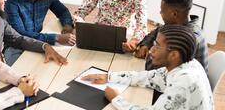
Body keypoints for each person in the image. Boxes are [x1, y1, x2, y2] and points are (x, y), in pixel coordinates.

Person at [82, 25, 213, 110]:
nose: (151, 50)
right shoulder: (187, 63)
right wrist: (109, 76)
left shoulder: (183, 83)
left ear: (173, 54)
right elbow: (149, 77)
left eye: (157, 46)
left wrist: (116, 99)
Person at [134, 0, 208, 73]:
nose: (160, 13)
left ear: (174, 14)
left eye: (162, 11)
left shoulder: (187, 37)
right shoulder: (177, 24)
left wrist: (150, 53)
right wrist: (145, 45)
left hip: (181, 84)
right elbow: (155, 33)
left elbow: (153, 67)